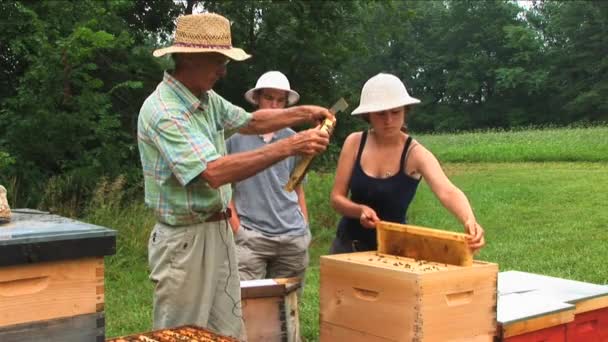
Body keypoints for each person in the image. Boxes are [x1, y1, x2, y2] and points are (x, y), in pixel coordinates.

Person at [137, 13, 334, 340]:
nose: (223, 70)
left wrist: (302, 113)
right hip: (184, 242)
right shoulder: (165, 111)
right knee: (182, 334)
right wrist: (290, 145)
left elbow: (252, 122)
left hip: (218, 232)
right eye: (218, 60)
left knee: (228, 332)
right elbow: (213, 172)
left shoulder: (206, 99)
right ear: (189, 57)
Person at [329, 73, 484, 254]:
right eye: (381, 114)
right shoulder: (354, 143)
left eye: (396, 112)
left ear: (405, 111)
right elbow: (336, 199)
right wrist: (359, 210)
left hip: (393, 250)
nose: (389, 120)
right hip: (347, 246)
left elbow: (447, 191)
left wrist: (469, 220)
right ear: (368, 115)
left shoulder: (416, 154)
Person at [226, 71, 310, 287]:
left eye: (280, 100)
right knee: (243, 305)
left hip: (292, 237)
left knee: (286, 310)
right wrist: (237, 229)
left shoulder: (295, 139)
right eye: (269, 98)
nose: (274, 106)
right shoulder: (235, 138)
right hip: (251, 237)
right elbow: (223, 187)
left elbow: (297, 188)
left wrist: (305, 228)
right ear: (257, 99)